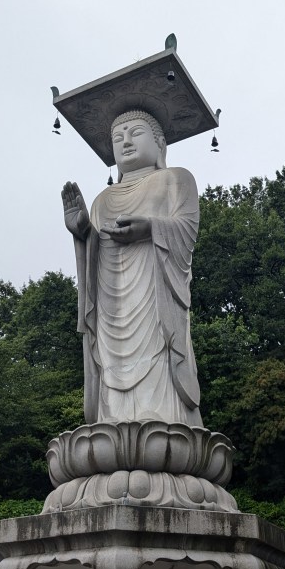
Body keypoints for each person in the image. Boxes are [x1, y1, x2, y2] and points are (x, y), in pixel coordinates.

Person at [62, 109, 202, 427]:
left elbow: (187, 229)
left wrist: (150, 228)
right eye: (117, 137)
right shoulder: (102, 201)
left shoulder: (176, 179)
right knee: (111, 375)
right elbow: (91, 271)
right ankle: (112, 424)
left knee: (158, 370)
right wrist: (83, 233)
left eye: (135, 133)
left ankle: (167, 425)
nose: (125, 141)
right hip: (112, 309)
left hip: (155, 297)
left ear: (160, 143)